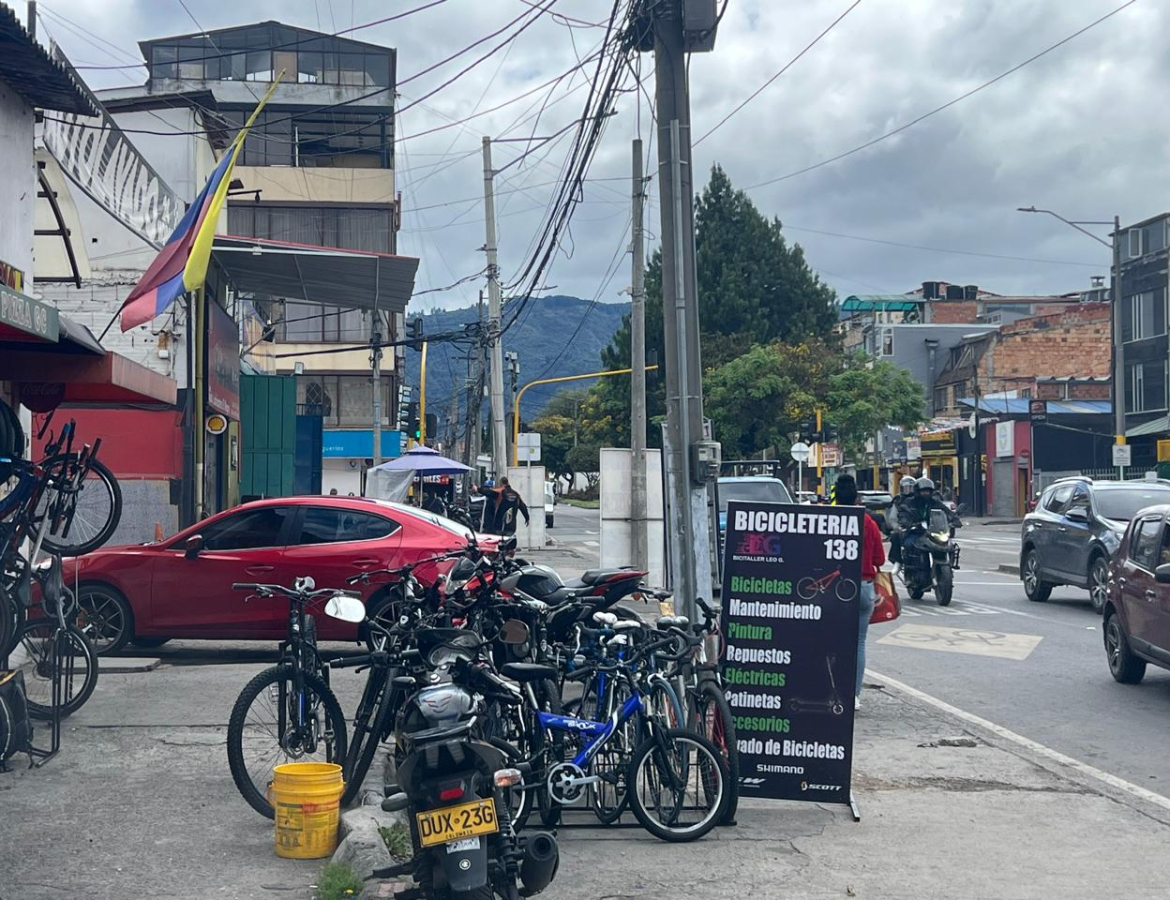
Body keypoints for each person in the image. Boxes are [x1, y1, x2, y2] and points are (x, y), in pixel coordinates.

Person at [834, 474, 885, 710]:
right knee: (859, 643)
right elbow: (880, 559)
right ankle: (853, 695)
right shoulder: (868, 523)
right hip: (863, 588)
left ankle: (832, 688)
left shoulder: (827, 520)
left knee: (829, 641)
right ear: (856, 498)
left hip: (833, 590)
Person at [896, 476, 959, 560]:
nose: (926, 493)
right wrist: (907, 522)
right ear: (917, 491)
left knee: (947, 546)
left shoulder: (934, 502)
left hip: (933, 532)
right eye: (923, 491)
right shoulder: (909, 502)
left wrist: (954, 519)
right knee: (909, 544)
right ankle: (911, 567)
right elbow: (903, 513)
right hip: (915, 532)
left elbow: (946, 511)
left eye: (928, 491)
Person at [888, 475, 917, 568]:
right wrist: (898, 527)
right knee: (895, 536)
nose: (907, 490)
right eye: (905, 488)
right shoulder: (898, 501)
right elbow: (892, 518)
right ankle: (898, 561)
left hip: (921, 528)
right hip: (905, 529)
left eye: (910, 487)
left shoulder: (919, 499)